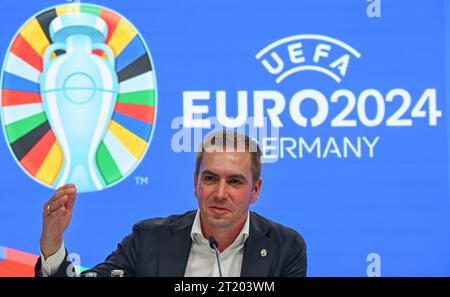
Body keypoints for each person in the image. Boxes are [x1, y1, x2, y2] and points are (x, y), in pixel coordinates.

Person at [35, 131, 307, 277]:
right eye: (210, 178)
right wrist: (53, 245)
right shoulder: (149, 239)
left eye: (235, 182)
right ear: (195, 183)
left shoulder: (284, 247)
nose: (220, 193)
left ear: (255, 190)